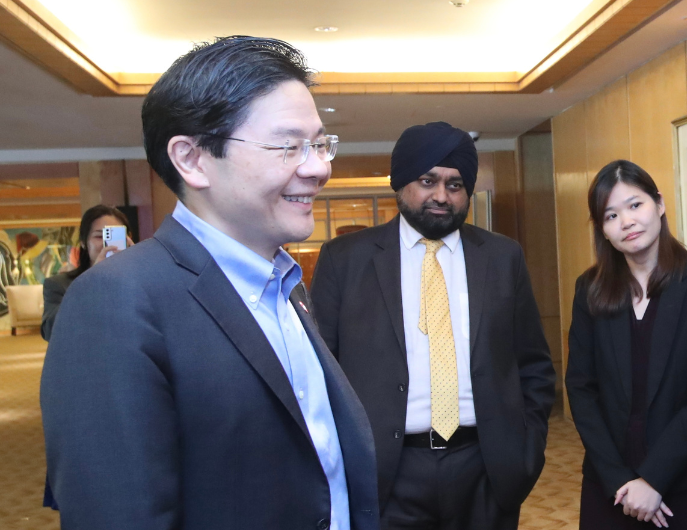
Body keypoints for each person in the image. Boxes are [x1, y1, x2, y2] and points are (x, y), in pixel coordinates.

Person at [41, 36, 378, 529]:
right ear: (192, 159)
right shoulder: (115, 301)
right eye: (289, 146)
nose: (319, 167)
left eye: (320, 144)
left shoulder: (287, 287)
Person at [310, 121, 556, 530]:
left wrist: (526, 451)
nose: (441, 196)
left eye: (455, 185)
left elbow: (533, 364)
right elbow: (322, 372)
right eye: (428, 181)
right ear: (401, 183)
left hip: (485, 469)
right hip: (387, 473)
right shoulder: (345, 259)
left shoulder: (502, 257)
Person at [567, 160, 687, 529]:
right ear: (602, 230)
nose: (626, 222)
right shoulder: (590, 289)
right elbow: (580, 388)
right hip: (611, 486)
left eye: (635, 205)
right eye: (611, 215)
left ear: (659, 204)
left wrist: (654, 479)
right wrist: (620, 480)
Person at [41, 205, 132, 341]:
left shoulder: (139, 281)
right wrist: (92, 280)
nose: (107, 244)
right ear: (83, 242)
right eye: (99, 236)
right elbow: (51, 331)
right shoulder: (59, 284)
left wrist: (139, 268)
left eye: (114, 236)